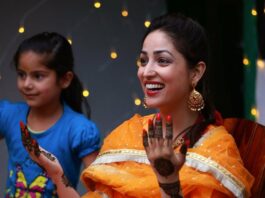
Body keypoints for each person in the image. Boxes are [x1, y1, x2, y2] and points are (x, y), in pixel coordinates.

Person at [22, 13, 254, 198]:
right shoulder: (129, 135)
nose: (147, 71)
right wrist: (56, 173)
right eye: (143, 61)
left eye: (162, 60)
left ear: (196, 72)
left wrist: (169, 182)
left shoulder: (216, 148)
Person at [0, 32, 101, 197]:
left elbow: (101, 192)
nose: (26, 84)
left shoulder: (79, 130)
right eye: (21, 74)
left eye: (38, 76)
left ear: (65, 80)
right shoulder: (9, 115)